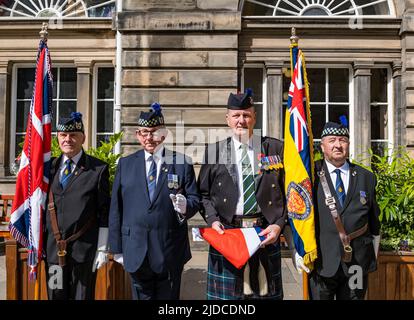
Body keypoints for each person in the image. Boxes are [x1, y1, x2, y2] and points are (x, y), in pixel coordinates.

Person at [197, 89, 287, 300]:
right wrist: (212, 220)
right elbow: (203, 194)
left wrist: (279, 224)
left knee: (264, 296)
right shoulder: (214, 151)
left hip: (265, 234)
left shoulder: (275, 148)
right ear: (227, 119)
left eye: (246, 115)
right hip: (227, 236)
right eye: (236, 116)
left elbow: (290, 193)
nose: (241, 121)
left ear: (254, 117)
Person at [108, 103, 200, 300]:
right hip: (135, 250)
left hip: (170, 251)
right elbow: (116, 208)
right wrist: (116, 249)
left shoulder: (182, 163)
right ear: (137, 135)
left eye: (154, 132)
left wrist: (186, 206)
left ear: (164, 134)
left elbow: (195, 200)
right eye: (144, 132)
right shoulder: (126, 164)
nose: (149, 137)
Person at [294, 121, 381, 300]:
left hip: (357, 264)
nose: (338, 145)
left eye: (342, 140)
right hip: (322, 262)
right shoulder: (310, 175)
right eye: (332, 140)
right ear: (322, 145)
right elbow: (298, 214)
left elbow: (374, 224)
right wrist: (298, 249)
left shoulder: (367, 177)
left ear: (348, 144)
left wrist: (371, 256)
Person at [44, 112, 110, 300]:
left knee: (82, 297)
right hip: (53, 252)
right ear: (58, 138)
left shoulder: (98, 169)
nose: (68, 139)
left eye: (73, 135)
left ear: (83, 137)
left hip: (84, 251)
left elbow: (104, 211)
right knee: (55, 295)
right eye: (63, 135)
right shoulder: (49, 169)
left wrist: (102, 248)